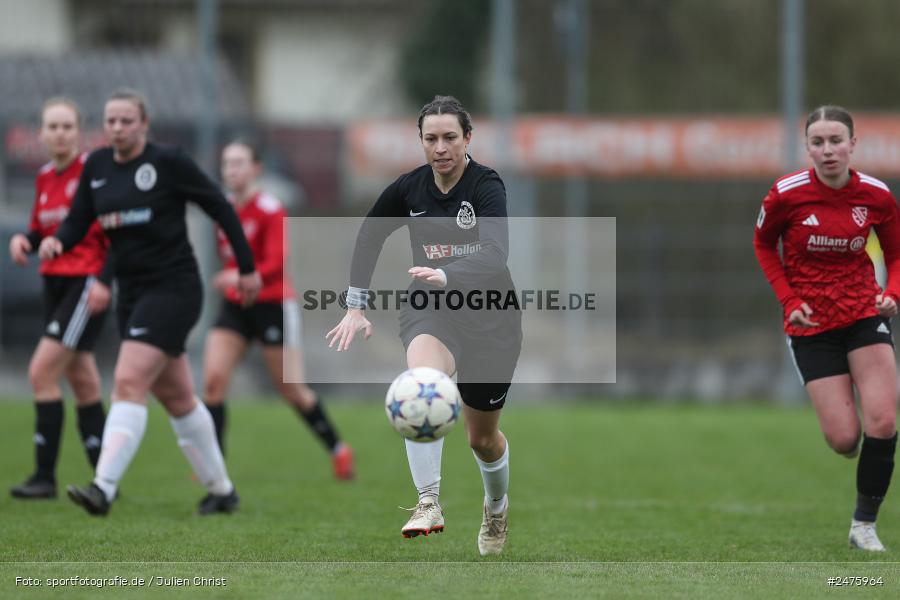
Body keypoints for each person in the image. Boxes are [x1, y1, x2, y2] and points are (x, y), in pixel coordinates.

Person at [38, 88, 261, 516]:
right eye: (111, 121)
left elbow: (219, 206)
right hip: (132, 294)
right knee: (177, 398)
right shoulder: (97, 166)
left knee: (127, 381)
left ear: (143, 124)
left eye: (126, 120)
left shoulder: (168, 163)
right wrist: (56, 242)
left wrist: (247, 267)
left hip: (174, 290)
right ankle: (222, 491)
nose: (118, 128)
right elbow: (79, 219)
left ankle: (102, 488)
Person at [326, 95, 521, 555]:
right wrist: (355, 304)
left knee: (483, 438)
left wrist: (450, 271)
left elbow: (496, 252)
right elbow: (371, 234)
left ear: (467, 139)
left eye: (450, 137)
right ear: (421, 141)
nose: (440, 147)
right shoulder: (409, 188)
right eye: (431, 138)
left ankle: (496, 509)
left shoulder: (487, 185)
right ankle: (428, 501)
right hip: (431, 309)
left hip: (492, 318)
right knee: (422, 383)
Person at [754, 105, 900, 551]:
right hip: (811, 323)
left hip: (862, 314)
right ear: (808, 148)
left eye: (836, 140)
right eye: (817, 142)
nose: (828, 150)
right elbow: (763, 244)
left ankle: (864, 526)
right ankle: (852, 447)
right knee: (844, 438)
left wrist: (892, 294)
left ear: (853, 144)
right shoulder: (786, 194)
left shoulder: (876, 196)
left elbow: (896, 255)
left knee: (884, 418)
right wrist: (789, 300)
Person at [203, 140, 354, 479]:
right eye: (227, 163)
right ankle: (214, 471)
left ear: (256, 169)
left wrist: (238, 275)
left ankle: (338, 449)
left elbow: (275, 262)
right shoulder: (223, 211)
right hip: (236, 307)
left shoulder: (270, 209)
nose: (231, 170)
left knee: (291, 390)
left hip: (273, 305)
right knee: (213, 381)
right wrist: (235, 281)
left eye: (239, 163)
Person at [8, 97, 112, 500]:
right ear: (41, 134)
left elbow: (110, 233)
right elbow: (41, 229)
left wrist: (105, 279)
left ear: (79, 131)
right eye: (52, 127)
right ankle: (107, 479)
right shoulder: (45, 176)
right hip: (53, 282)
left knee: (40, 372)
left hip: (84, 282)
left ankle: (44, 478)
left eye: (67, 126)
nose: (60, 133)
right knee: (83, 382)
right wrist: (25, 240)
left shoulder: (94, 174)